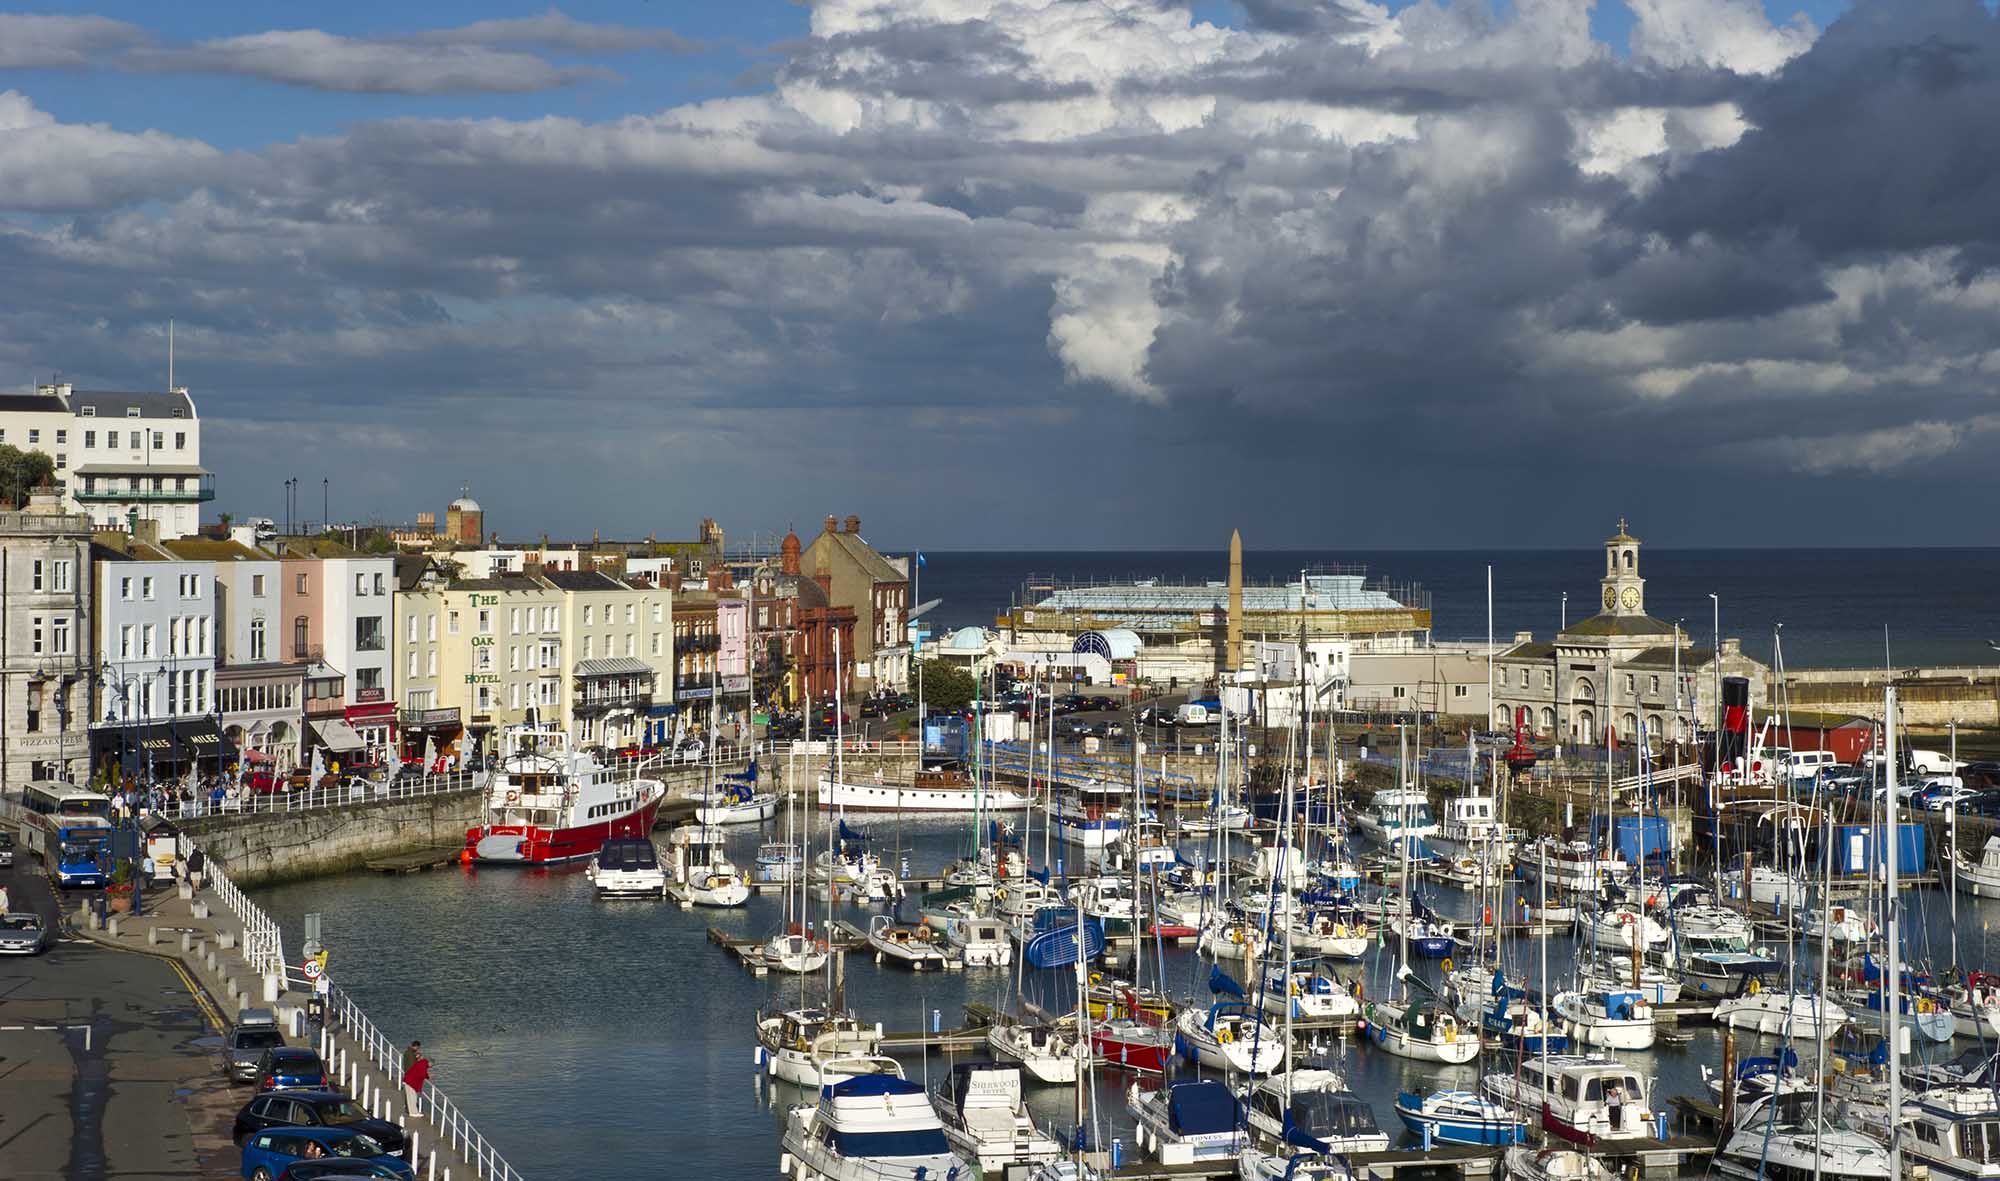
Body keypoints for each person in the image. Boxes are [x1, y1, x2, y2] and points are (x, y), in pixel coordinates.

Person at [402, 1044, 431, 1116]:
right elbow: (422, 1074)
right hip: (411, 1081)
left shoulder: (416, 1061)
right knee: (413, 1097)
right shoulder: (423, 1063)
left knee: (410, 1097)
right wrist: (428, 1077)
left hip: (408, 1079)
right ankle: (414, 1112)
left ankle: (411, 1111)